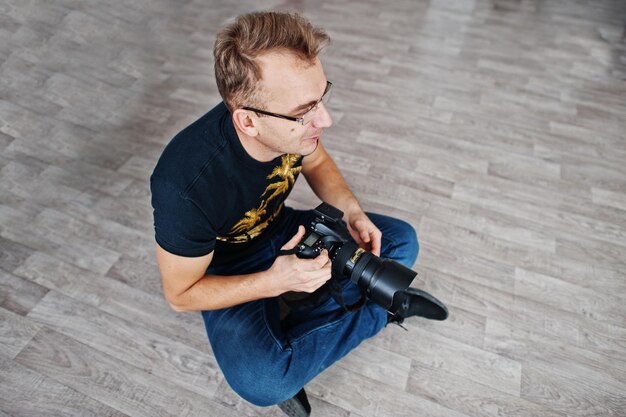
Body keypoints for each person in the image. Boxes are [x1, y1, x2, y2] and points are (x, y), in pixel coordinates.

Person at [150, 11, 447, 417]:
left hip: (285, 229)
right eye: (305, 110)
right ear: (248, 121)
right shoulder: (184, 186)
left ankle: (308, 325)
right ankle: (380, 308)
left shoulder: (285, 125)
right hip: (228, 270)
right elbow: (180, 295)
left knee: (401, 241)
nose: (324, 119)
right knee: (264, 382)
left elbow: (318, 163)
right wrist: (274, 281)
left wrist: (353, 212)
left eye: (322, 96)